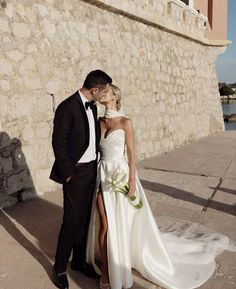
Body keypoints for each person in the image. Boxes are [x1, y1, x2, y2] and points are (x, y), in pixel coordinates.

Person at [86, 84, 235, 289]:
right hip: (102, 176)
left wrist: (131, 181)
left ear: (115, 97)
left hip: (120, 176)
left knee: (121, 223)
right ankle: (106, 271)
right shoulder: (98, 121)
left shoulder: (125, 122)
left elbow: (131, 154)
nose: (101, 93)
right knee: (104, 224)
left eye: (106, 91)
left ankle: (122, 259)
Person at [49, 70, 112, 289]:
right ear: (94, 89)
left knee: (86, 219)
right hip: (74, 173)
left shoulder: (92, 106)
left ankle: (78, 261)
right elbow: (59, 142)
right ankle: (59, 268)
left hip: (91, 170)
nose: (103, 95)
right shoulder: (67, 107)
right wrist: (68, 174)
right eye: (102, 91)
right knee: (71, 221)